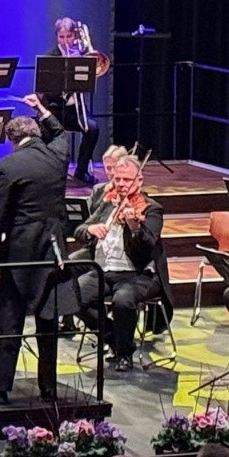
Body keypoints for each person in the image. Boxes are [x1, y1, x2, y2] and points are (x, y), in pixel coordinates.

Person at [0, 96, 70, 406]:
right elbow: (61, 133)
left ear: (12, 140)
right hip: (53, 249)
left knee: (11, 320)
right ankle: (48, 388)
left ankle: (1, 388)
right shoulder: (57, 156)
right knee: (48, 322)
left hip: (20, 251)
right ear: (35, 133)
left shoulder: (7, 166)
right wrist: (42, 109)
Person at [72, 155, 170, 371]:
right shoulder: (108, 203)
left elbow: (148, 245)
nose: (121, 184)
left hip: (138, 274)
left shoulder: (151, 209)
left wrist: (134, 226)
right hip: (104, 270)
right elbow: (79, 229)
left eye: (127, 180)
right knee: (72, 295)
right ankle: (113, 337)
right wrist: (90, 229)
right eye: (117, 179)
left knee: (123, 300)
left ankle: (125, 354)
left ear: (139, 181)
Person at [39, 16, 102, 184]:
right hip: (55, 109)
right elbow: (46, 93)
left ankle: (81, 171)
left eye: (69, 36)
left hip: (76, 110)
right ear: (57, 37)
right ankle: (51, 175)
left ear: (75, 36)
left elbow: (89, 84)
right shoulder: (50, 58)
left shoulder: (82, 55)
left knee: (93, 129)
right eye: (62, 37)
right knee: (47, 131)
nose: (65, 41)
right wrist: (65, 86)